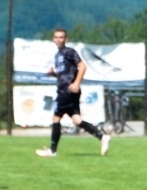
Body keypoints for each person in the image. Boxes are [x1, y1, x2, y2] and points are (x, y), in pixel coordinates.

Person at [35, 28, 112, 158]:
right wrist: (54, 74)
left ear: (66, 39)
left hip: (67, 91)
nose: (59, 39)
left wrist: (76, 83)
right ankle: (102, 136)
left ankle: (52, 150)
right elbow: (64, 75)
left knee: (56, 118)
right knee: (77, 120)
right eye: (56, 37)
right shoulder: (57, 55)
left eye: (61, 37)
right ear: (53, 39)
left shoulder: (69, 52)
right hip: (66, 90)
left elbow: (82, 67)